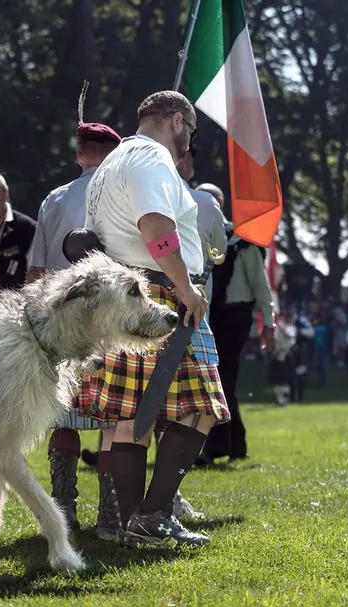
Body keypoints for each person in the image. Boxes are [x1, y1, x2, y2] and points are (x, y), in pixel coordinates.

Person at [76, 90, 229, 546]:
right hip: (161, 297)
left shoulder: (110, 164)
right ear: (178, 120)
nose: (189, 143)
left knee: (130, 417)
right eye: (192, 131)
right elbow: (156, 226)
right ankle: (155, 515)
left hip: (126, 297)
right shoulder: (151, 157)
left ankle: (132, 524)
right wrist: (186, 289)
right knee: (201, 405)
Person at [26, 117, 123, 538]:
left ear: (79, 154)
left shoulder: (54, 198)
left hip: (61, 323)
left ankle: (63, 510)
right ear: (112, 154)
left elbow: (37, 271)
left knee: (63, 419)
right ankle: (108, 515)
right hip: (109, 322)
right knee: (110, 418)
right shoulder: (124, 194)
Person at [201, 212, 275, 463]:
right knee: (219, 381)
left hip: (236, 316)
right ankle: (234, 444)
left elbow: (260, 285)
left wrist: (269, 324)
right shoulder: (206, 242)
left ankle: (219, 446)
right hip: (213, 315)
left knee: (223, 380)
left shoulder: (243, 243)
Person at [175, 146, 227, 303]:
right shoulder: (206, 202)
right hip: (195, 296)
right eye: (190, 158)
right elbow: (219, 251)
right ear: (184, 162)